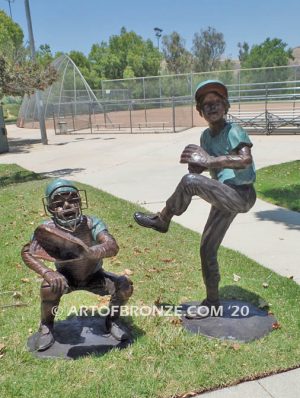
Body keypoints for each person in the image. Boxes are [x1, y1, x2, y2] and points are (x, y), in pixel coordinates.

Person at [134, 80, 256, 315]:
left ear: (226, 106)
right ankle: (212, 302)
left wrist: (208, 161)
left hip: (241, 194)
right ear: (200, 112)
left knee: (189, 184)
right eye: (206, 105)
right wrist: (195, 165)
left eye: (217, 102)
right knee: (207, 248)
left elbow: (244, 160)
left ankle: (163, 219)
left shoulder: (234, 131)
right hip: (223, 193)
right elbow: (207, 171)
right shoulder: (206, 137)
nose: (212, 107)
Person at [22, 178, 133, 351]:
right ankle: (46, 326)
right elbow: (27, 252)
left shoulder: (91, 223)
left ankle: (112, 320)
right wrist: (47, 272)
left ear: (80, 201)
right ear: (50, 208)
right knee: (48, 287)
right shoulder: (47, 229)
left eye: (72, 199)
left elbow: (112, 245)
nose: (67, 205)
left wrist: (91, 252)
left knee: (124, 286)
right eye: (59, 203)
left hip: (94, 275)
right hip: (66, 277)